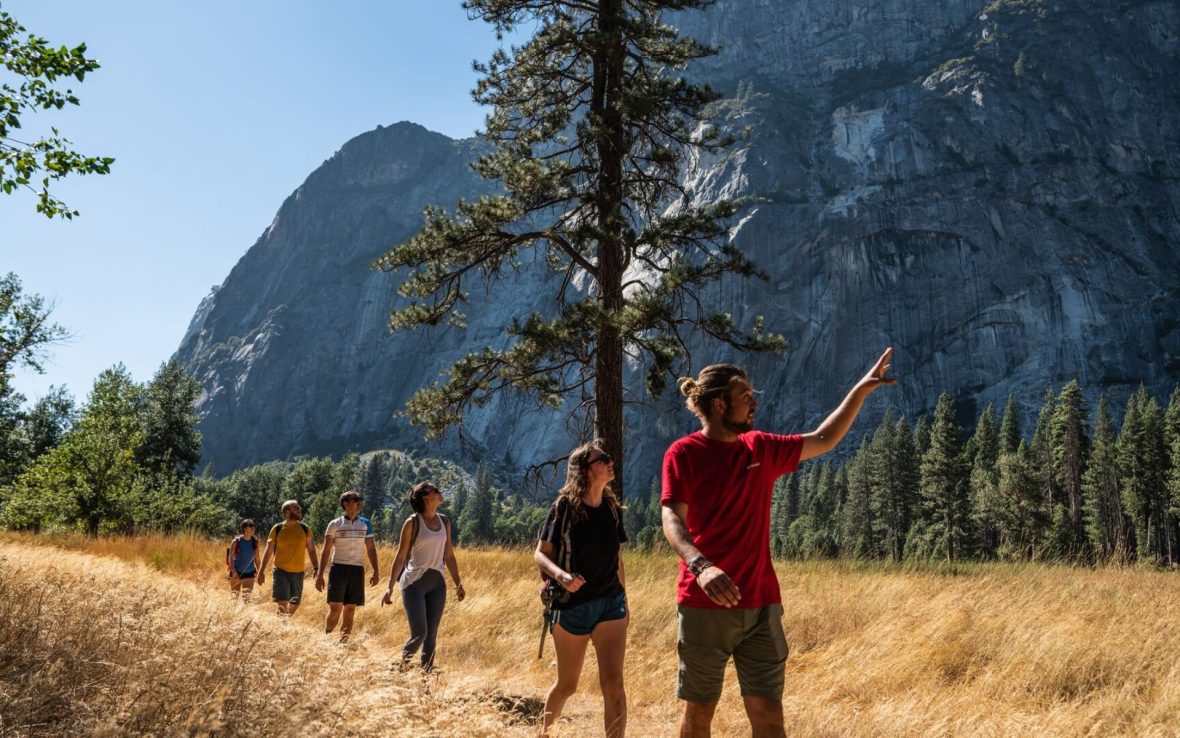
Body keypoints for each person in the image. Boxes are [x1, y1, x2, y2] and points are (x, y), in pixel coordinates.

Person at [661, 348, 895, 738]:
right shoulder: (685, 453)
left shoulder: (762, 448)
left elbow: (824, 438)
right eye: (745, 397)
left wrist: (860, 389)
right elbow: (671, 519)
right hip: (705, 604)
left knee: (770, 717)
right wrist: (701, 567)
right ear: (719, 405)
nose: (755, 403)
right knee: (700, 715)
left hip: (761, 606)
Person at [535, 439, 629, 738]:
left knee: (613, 684)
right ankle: (545, 733)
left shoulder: (612, 508)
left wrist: (625, 602)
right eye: (603, 458)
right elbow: (540, 553)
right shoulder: (563, 508)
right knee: (568, 685)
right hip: (572, 606)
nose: (610, 462)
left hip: (611, 603)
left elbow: (617, 558)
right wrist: (561, 577)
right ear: (585, 470)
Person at [380, 482, 466, 671]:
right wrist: (389, 587)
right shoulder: (413, 522)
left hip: (437, 584)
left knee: (431, 636)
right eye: (436, 490)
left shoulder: (445, 521)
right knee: (420, 633)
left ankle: (425, 680)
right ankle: (400, 670)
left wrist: (458, 583)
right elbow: (400, 556)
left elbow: (449, 555)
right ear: (426, 498)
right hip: (413, 584)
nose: (440, 492)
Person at [316, 490, 379, 641]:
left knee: (350, 610)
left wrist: (376, 571)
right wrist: (320, 575)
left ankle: (343, 645)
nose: (360, 502)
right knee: (336, 609)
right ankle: (327, 637)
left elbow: (371, 548)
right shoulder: (335, 524)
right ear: (346, 504)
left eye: (360, 499)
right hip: (338, 569)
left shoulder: (365, 524)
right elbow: (326, 550)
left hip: (357, 570)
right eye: (356, 499)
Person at [257, 500, 318, 616]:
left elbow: (311, 549)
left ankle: (285, 622)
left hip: (298, 572)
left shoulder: (305, 529)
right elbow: (269, 550)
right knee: (282, 603)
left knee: (295, 604)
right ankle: (279, 627)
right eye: (296, 508)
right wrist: (261, 571)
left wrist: (316, 567)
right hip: (281, 571)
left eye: (299, 507)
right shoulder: (277, 528)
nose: (299, 509)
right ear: (287, 512)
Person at [226, 519, 261, 603]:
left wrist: (260, 571)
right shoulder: (236, 541)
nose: (253, 528)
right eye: (250, 525)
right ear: (244, 528)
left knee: (247, 599)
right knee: (234, 597)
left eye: (253, 526)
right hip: (236, 572)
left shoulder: (255, 542)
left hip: (249, 573)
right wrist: (234, 572)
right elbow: (230, 558)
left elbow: (257, 559)